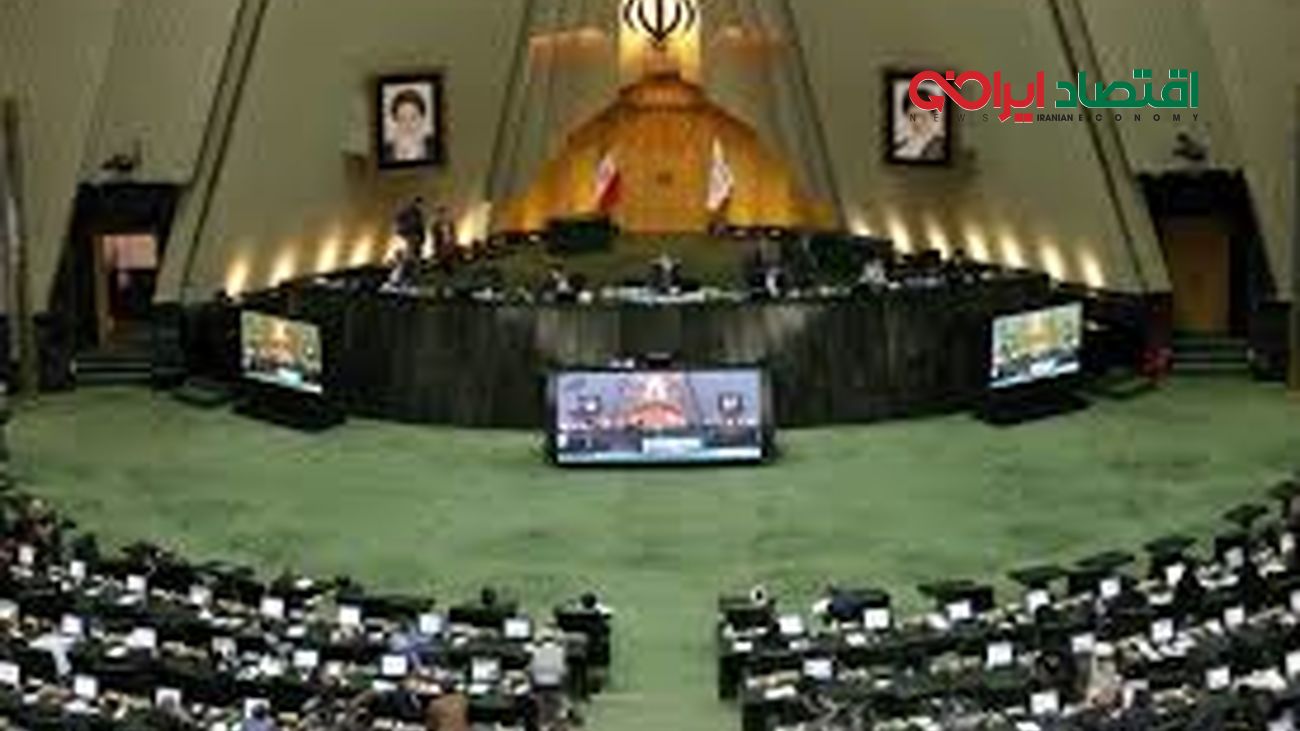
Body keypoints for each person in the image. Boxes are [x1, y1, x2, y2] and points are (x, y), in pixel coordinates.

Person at [894, 81, 947, 162]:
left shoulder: (941, 149)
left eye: (923, 117)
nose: (918, 122)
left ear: (933, 118)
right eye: (913, 116)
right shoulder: (898, 148)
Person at [382, 89, 436, 164]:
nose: (408, 125)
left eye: (413, 118)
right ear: (395, 121)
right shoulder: (385, 152)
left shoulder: (434, 146)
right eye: (402, 119)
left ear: (422, 118)